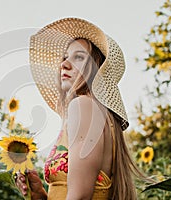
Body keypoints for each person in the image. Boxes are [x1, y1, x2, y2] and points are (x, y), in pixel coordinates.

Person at [16, 17, 145, 200]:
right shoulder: (97, 114)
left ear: (97, 69)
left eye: (78, 57)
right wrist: (39, 194)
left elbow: (80, 196)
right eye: (65, 57)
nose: (64, 64)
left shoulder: (84, 106)